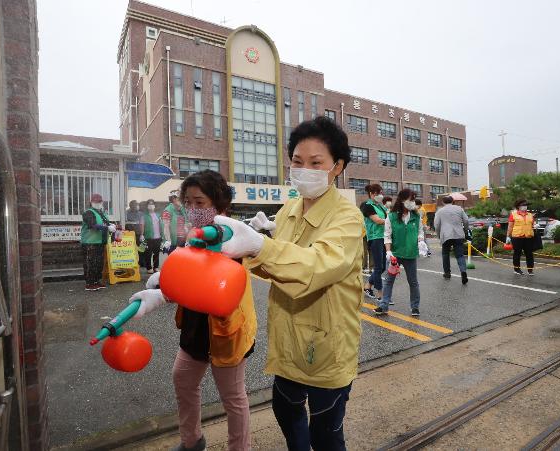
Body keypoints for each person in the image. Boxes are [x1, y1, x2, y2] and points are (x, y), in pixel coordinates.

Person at [212, 117, 364, 451]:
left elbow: (318, 265)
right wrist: (259, 239)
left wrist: (262, 246)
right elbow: (276, 263)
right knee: (285, 408)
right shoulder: (291, 206)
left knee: (325, 432)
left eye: (316, 162)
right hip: (288, 338)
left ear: (337, 167)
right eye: (297, 161)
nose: (303, 169)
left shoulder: (347, 218)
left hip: (326, 344)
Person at [129, 170, 257, 451]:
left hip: (227, 333)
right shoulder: (192, 239)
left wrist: (167, 288)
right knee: (184, 382)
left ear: (220, 204)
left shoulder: (237, 239)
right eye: (188, 202)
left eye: (199, 202)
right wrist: (163, 288)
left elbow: (212, 284)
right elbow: (187, 275)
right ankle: (192, 441)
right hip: (195, 329)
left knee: (233, 399)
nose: (192, 210)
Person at [374, 189, 424, 317]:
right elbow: (387, 235)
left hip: (411, 254)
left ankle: (415, 307)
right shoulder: (391, 216)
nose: (413, 202)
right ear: (402, 200)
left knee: (413, 282)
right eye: (411, 199)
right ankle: (384, 305)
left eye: (414, 199)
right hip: (395, 255)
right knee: (389, 281)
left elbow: (420, 232)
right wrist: (389, 251)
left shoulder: (416, 216)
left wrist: (420, 242)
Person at [80, 193, 115, 291]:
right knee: (90, 263)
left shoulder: (101, 213)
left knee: (99, 263)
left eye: (99, 201)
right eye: (95, 201)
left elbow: (106, 223)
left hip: (100, 242)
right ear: (91, 202)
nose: (98, 203)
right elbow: (92, 225)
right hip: (89, 243)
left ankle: (96, 281)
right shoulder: (88, 213)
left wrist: (112, 225)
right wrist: (108, 227)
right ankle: (89, 283)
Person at [360, 184, 388, 302]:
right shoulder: (367, 205)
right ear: (371, 194)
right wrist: (390, 222)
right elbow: (377, 220)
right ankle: (380, 294)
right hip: (374, 238)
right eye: (377, 193)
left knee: (382, 267)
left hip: (384, 238)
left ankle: (367, 286)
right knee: (378, 267)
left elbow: (388, 217)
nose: (380, 196)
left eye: (381, 193)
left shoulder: (381, 206)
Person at [434, 196, 469, 284]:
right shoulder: (459, 209)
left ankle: (447, 273)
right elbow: (466, 220)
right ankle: (463, 271)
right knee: (460, 255)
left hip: (446, 235)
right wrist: (465, 231)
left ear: (443, 202)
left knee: (445, 254)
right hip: (458, 234)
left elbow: (437, 224)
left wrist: (439, 235)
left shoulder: (440, 211)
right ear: (453, 201)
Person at [506, 198, 535, 276]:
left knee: (529, 254)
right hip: (517, 237)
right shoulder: (513, 214)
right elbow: (510, 226)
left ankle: (530, 270)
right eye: (523, 205)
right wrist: (508, 236)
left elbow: (532, 225)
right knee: (517, 254)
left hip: (528, 237)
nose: (525, 207)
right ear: (518, 206)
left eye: (526, 205)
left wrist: (535, 226)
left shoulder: (530, 215)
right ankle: (517, 269)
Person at [140, 199, 163, 274]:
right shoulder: (144, 216)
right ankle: (149, 267)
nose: (151, 205)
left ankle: (156, 267)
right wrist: (141, 234)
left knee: (156, 253)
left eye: (152, 204)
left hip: (158, 237)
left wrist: (163, 235)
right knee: (148, 253)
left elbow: (161, 225)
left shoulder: (158, 214)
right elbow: (142, 225)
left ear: (154, 206)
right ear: (147, 206)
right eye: (149, 204)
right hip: (148, 237)